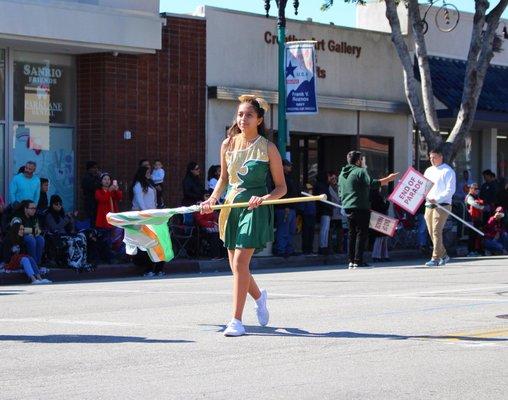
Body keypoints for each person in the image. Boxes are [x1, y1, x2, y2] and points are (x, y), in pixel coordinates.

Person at [201, 94, 286, 337]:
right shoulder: (227, 144)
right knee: (236, 267)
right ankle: (259, 297)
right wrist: (211, 200)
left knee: (240, 264)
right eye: (240, 114)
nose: (243, 119)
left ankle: (236, 320)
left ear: (259, 119)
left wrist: (265, 199)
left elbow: (282, 188)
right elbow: (224, 180)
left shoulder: (268, 147)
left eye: (249, 115)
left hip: (254, 209)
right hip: (230, 208)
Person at [339, 150, 398, 269]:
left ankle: (351, 260)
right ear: (358, 161)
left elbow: (340, 191)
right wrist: (387, 179)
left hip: (347, 206)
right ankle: (358, 260)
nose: (364, 162)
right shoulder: (361, 171)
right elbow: (372, 184)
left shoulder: (342, 174)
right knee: (361, 234)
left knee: (352, 234)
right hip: (361, 206)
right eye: (362, 160)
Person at [423, 148, 456, 267]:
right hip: (428, 204)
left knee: (436, 230)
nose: (432, 160)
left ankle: (435, 258)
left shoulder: (448, 171)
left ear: (441, 157)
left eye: (434, 157)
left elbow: (450, 191)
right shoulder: (428, 171)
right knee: (432, 232)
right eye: (430, 157)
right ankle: (444, 255)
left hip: (442, 205)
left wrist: (437, 199)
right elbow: (424, 187)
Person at [130, 166, 165, 277]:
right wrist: (148, 216)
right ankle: (148, 268)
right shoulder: (138, 185)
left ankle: (158, 268)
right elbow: (141, 203)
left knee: (157, 243)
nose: (150, 173)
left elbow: (153, 201)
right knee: (146, 244)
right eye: (148, 172)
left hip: (152, 216)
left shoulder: (149, 184)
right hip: (142, 218)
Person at [44, 195, 90, 270]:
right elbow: (55, 227)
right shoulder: (49, 215)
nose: (59, 206)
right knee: (72, 241)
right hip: (57, 236)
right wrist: (67, 218)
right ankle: (72, 261)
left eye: (60, 204)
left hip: (66, 234)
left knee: (81, 237)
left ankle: (81, 261)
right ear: (52, 204)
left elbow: (70, 228)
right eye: (56, 204)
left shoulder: (62, 213)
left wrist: (71, 218)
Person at [274, 159, 299, 257]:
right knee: (283, 229)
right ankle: (281, 250)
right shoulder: (279, 177)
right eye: (288, 165)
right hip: (284, 207)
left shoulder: (289, 177)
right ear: (282, 166)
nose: (290, 167)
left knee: (290, 230)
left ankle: (289, 249)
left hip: (292, 206)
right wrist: (286, 206)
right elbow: (281, 193)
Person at [95, 172, 122, 262]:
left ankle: (112, 256)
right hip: (103, 220)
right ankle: (106, 258)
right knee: (104, 240)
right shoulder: (98, 192)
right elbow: (103, 199)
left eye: (108, 179)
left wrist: (117, 190)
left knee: (113, 240)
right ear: (101, 181)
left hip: (113, 219)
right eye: (105, 179)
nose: (107, 181)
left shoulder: (112, 191)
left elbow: (119, 197)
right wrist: (109, 191)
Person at [11, 200, 45, 265]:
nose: (34, 210)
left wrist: (36, 231)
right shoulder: (17, 216)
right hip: (18, 238)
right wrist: (32, 231)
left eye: (35, 208)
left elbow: (38, 230)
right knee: (31, 240)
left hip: (30, 236)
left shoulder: (34, 217)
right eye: (32, 208)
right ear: (25, 209)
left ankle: (38, 264)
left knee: (40, 239)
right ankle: (33, 264)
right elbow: (17, 229)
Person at [194, 193, 224, 259]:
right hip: (203, 227)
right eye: (206, 196)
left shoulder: (210, 205)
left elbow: (213, 216)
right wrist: (210, 224)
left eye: (209, 196)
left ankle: (223, 255)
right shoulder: (199, 205)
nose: (208, 197)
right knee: (215, 235)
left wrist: (214, 221)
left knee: (222, 234)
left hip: (212, 225)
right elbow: (199, 220)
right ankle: (215, 255)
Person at [315, 171, 336, 255]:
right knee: (324, 230)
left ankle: (324, 246)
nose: (329, 178)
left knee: (326, 230)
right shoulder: (321, 186)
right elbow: (323, 201)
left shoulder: (325, 186)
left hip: (326, 210)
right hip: (324, 211)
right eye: (328, 176)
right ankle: (322, 247)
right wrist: (329, 207)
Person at [370, 187, 390, 262]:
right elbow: (383, 208)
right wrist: (387, 202)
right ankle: (378, 256)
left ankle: (381, 255)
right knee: (381, 239)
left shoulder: (372, 197)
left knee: (381, 239)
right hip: (381, 219)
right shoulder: (378, 198)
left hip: (376, 219)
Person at [464, 183, 484, 257]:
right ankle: (470, 251)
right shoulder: (469, 197)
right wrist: (481, 206)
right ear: (470, 189)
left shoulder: (476, 196)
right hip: (470, 219)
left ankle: (476, 250)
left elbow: (479, 204)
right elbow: (474, 204)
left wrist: (480, 205)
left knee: (476, 235)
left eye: (477, 189)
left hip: (476, 219)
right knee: (471, 235)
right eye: (475, 189)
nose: (477, 190)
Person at [81, 161, 101, 226]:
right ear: (89, 169)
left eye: (97, 168)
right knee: (91, 221)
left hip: (95, 204)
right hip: (90, 204)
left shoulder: (94, 177)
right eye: (94, 168)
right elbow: (94, 187)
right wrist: (97, 178)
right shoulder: (86, 178)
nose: (96, 170)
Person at [300, 183, 317, 255]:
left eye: (311, 189)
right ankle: (305, 249)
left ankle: (310, 249)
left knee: (311, 234)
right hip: (306, 216)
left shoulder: (312, 198)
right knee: (306, 234)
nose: (311, 191)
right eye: (309, 189)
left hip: (312, 217)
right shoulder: (304, 198)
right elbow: (301, 208)